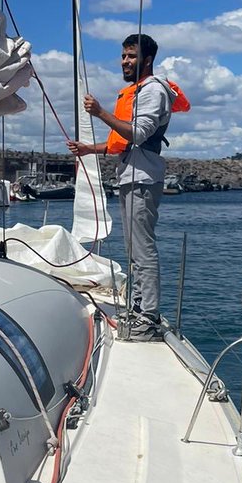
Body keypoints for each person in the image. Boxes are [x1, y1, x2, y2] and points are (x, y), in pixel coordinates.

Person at [68, 33, 175, 342]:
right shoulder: (136, 93)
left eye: (131, 56)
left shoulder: (152, 92)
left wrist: (100, 113)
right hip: (131, 175)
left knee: (142, 250)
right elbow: (122, 141)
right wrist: (90, 149)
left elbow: (139, 134)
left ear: (147, 60)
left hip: (142, 178)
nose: (125, 62)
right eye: (124, 56)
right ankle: (140, 307)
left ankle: (149, 316)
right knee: (134, 250)